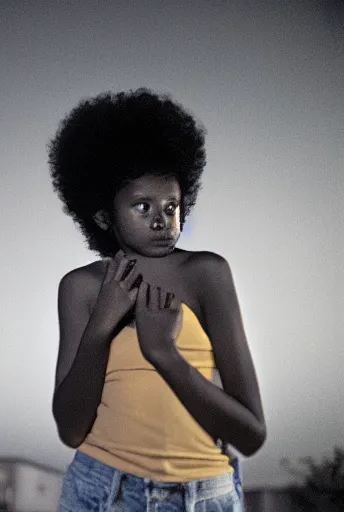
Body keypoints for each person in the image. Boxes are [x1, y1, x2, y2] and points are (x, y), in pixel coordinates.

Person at [48, 88, 266, 511]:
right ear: (103, 216)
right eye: (143, 206)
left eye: (172, 205)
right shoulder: (81, 287)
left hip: (203, 497)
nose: (163, 220)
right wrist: (100, 327)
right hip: (99, 492)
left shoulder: (207, 274)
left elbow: (250, 434)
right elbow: (71, 430)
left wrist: (164, 353)